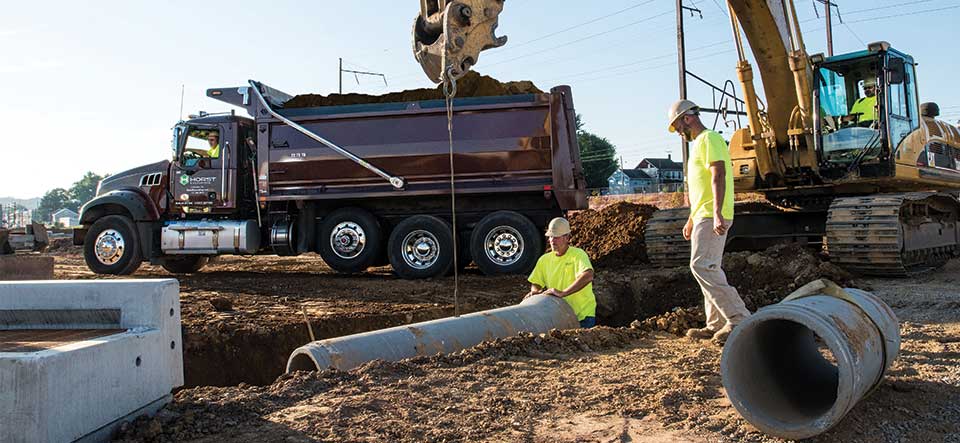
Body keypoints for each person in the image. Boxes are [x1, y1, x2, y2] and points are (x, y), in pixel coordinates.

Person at [667, 99, 751, 344]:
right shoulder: (698, 145)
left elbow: (718, 175)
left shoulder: (710, 139)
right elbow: (700, 187)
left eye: (678, 126)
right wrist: (692, 218)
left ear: (687, 118)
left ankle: (737, 318)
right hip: (702, 214)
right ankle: (715, 323)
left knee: (702, 266)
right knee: (707, 266)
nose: (679, 132)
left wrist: (716, 213)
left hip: (713, 213)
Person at [524, 217, 597, 328]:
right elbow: (536, 282)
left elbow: (588, 275)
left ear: (567, 237)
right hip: (559, 316)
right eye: (551, 237)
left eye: (556, 237)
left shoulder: (577, 255)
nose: (552, 240)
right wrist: (536, 292)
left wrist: (563, 293)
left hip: (582, 316)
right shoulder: (544, 260)